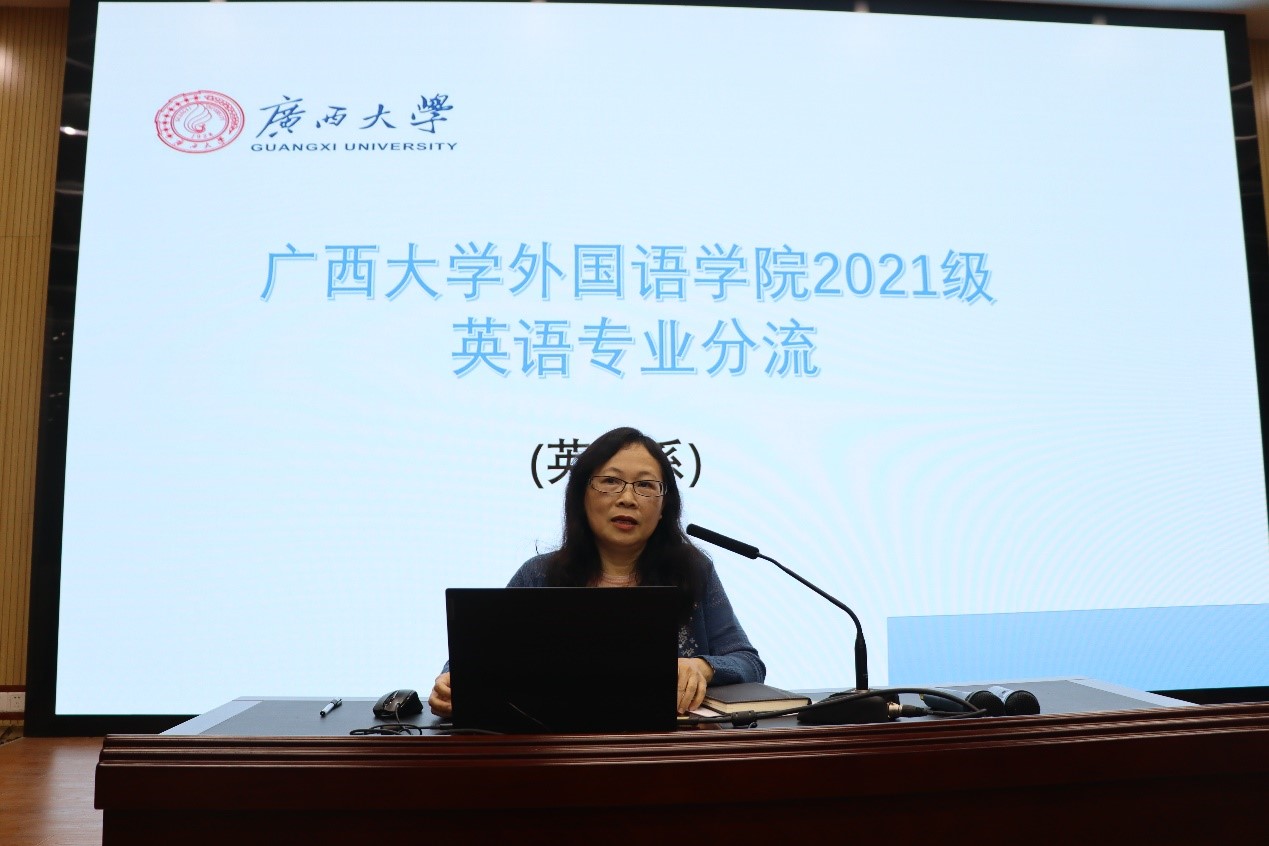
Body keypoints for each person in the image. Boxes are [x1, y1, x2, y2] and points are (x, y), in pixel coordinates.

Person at [429, 425, 765, 718]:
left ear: (664, 506)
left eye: (645, 486)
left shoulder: (692, 571)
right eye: (610, 482)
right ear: (581, 496)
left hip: (667, 750)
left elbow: (748, 662)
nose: (628, 498)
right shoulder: (539, 576)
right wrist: (451, 685)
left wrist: (704, 667)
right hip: (559, 752)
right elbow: (473, 662)